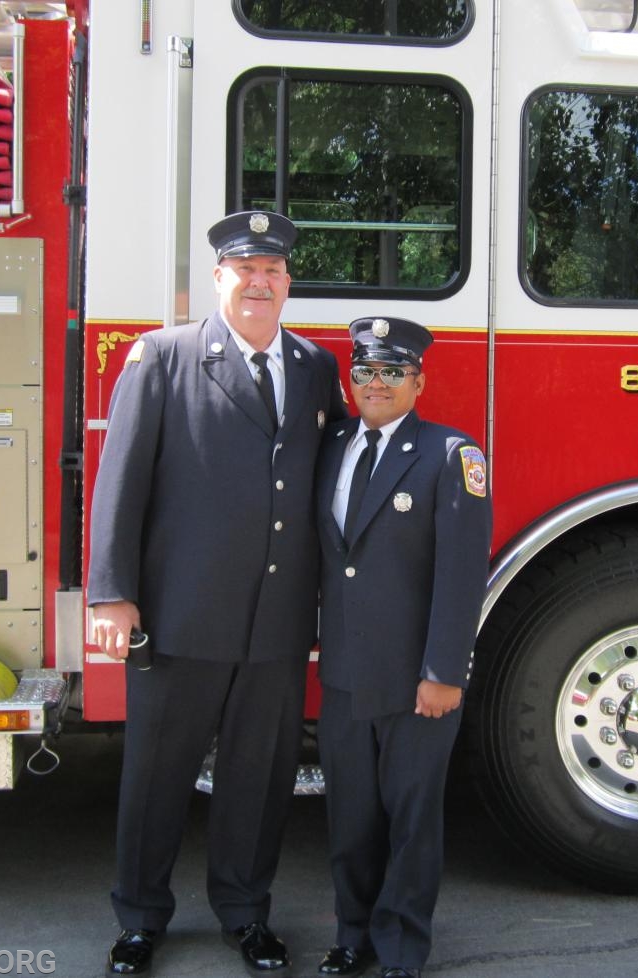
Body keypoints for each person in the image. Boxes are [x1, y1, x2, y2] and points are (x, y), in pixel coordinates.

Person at [87, 210, 347, 978]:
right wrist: (112, 594)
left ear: (288, 283)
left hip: (276, 619)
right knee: (155, 775)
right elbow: (120, 483)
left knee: (259, 779)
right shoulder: (164, 358)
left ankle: (246, 912)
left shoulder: (314, 369)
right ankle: (139, 918)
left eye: (273, 271)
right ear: (218, 278)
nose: (259, 282)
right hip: (180, 614)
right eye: (245, 270)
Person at [313, 318, 492, 978]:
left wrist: (445, 670)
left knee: (412, 822)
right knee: (350, 817)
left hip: (418, 679)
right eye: (364, 371)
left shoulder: (451, 455)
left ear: (420, 380)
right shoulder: (331, 446)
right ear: (350, 381)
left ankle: (400, 947)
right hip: (344, 675)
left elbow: (462, 572)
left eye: (393, 371)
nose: (377, 383)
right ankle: (352, 934)